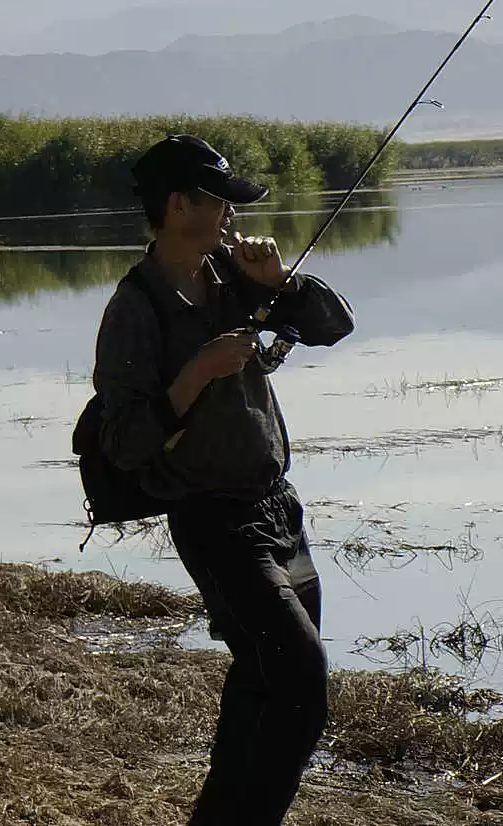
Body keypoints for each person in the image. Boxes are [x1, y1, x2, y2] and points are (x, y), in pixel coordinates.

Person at [89, 134, 354, 826]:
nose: (233, 218)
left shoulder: (236, 277)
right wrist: (195, 374)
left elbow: (336, 325)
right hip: (213, 523)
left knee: (261, 688)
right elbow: (122, 445)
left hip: (279, 511)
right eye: (221, 203)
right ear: (180, 206)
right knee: (300, 685)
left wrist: (283, 286)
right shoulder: (133, 311)